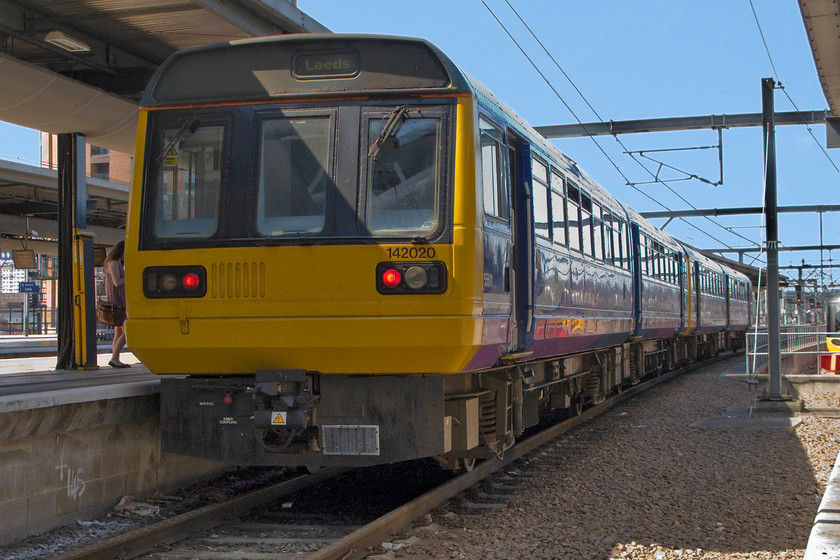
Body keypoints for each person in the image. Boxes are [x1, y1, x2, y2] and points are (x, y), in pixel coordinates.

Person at [104, 241, 129, 368]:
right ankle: (114, 358)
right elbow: (117, 282)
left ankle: (115, 358)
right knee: (129, 331)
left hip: (120, 301)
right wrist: (130, 277)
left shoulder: (118, 263)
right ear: (121, 251)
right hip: (118, 302)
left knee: (118, 333)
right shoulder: (113, 263)